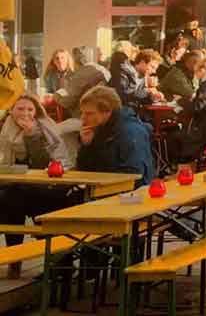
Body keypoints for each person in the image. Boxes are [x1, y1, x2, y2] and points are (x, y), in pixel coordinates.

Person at [0, 95, 75, 260]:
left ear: (36, 112)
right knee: (11, 202)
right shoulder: (5, 129)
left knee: (38, 206)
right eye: (20, 109)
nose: (25, 113)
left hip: (45, 187)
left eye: (30, 109)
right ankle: (14, 257)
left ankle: (54, 262)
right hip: (15, 186)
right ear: (11, 111)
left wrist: (31, 135)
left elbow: (45, 164)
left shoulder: (45, 129)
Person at [75, 86, 155, 187]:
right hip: (103, 189)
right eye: (82, 113)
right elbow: (84, 172)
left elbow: (135, 175)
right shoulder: (99, 129)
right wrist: (87, 146)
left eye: (89, 113)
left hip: (130, 195)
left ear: (107, 111)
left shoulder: (130, 132)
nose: (83, 118)